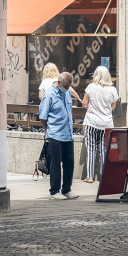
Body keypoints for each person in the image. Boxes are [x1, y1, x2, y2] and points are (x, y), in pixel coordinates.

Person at [39, 72, 78, 200]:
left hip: (67, 133)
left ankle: (67, 189)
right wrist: (46, 131)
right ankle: (54, 190)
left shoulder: (66, 93)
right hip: (54, 134)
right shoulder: (49, 94)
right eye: (66, 86)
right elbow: (43, 116)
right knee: (55, 163)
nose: (67, 89)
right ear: (59, 83)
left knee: (69, 162)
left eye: (68, 87)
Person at [81, 66, 119, 183]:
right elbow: (113, 107)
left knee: (91, 148)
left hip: (91, 122)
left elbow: (84, 104)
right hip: (106, 124)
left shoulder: (91, 88)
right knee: (103, 149)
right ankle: (103, 176)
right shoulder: (113, 90)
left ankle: (90, 176)